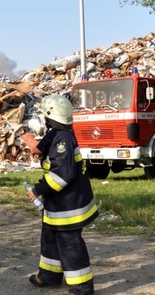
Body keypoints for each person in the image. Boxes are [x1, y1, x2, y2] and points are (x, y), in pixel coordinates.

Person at [25, 94, 98, 295]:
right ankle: (49, 276)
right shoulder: (57, 133)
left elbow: (61, 175)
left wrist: (37, 190)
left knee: (69, 245)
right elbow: (42, 147)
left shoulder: (62, 139)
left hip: (69, 206)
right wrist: (29, 139)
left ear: (49, 117)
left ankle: (82, 287)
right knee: (49, 239)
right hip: (58, 204)